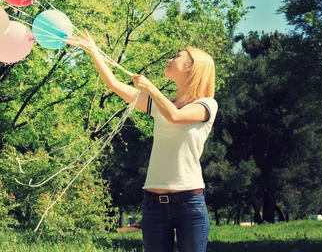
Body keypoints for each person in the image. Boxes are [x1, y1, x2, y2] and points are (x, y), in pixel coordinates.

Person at [65, 29, 217, 252]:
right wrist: (93, 51)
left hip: (190, 205)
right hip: (153, 205)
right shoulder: (160, 105)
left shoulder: (207, 105)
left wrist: (152, 89)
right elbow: (114, 84)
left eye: (177, 56)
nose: (170, 59)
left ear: (191, 68)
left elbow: (174, 116)